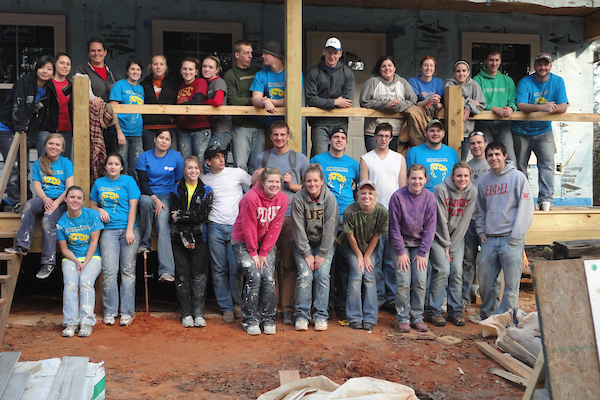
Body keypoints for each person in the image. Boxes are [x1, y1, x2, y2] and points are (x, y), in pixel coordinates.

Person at [254, 121, 309, 325]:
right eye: (275, 135)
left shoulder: (299, 159)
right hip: (266, 218)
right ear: (271, 136)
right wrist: (254, 178)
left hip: (289, 217)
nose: (279, 138)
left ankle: (287, 308)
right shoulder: (263, 157)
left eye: (282, 135)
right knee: (268, 265)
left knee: (288, 264)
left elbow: (311, 187)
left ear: (289, 136)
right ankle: (269, 307)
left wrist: (292, 185)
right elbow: (255, 186)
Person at [475, 141, 533, 321]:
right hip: (490, 240)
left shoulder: (517, 177)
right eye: (490, 155)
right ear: (486, 158)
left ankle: (507, 320)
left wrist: (516, 235)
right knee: (485, 283)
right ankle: (489, 317)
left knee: (511, 285)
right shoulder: (484, 182)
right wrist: (481, 232)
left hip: (510, 239)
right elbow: (480, 211)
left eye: (497, 154)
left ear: (505, 156)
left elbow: (526, 207)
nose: (494, 158)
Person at [202, 145, 259, 323]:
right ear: (208, 162)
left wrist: (260, 171)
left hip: (236, 227)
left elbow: (254, 184)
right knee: (219, 269)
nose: (221, 159)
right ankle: (226, 307)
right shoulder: (203, 179)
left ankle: (238, 305)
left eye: (222, 156)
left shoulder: (236, 173)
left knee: (236, 268)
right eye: (216, 157)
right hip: (215, 226)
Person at [5, 134, 73, 279]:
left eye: (57, 145)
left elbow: (69, 188)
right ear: (45, 145)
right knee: (29, 205)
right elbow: (37, 186)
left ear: (62, 149)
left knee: (47, 221)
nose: (53, 147)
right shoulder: (38, 163)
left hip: (61, 201)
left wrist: (56, 203)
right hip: (44, 198)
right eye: (51, 143)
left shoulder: (66, 163)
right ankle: (22, 245)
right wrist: (45, 198)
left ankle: (48, 262)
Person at [231, 167, 288, 335]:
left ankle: (269, 318)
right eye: (270, 181)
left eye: (277, 182)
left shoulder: (283, 199)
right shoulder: (251, 197)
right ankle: (249, 319)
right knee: (254, 276)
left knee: (268, 277)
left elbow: (275, 228)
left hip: (265, 244)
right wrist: (253, 252)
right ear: (262, 183)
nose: (274, 185)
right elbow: (248, 226)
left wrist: (264, 252)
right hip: (243, 241)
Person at [310, 127, 359, 319]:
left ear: (346, 142)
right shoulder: (317, 160)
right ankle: (326, 302)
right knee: (325, 261)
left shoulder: (353, 164)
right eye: (336, 137)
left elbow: (359, 189)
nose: (339, 140)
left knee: (344, 261)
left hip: (345, 216)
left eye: (343, 137)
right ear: (329, 141)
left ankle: (340, 302)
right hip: (323, 214)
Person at [512, 52, 568, 211]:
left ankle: (545, 200)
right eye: (539, 64)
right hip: (521, 130)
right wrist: (543, 107)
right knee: (521, 166)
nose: (542, 67)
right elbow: (521, 105)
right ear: (535, 65)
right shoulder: (525, 81)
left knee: (547, 165)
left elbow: (564, 105)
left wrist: (555, 108)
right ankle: (524, 199)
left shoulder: (557, 81)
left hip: (544, 130)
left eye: (546, 64)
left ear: (550, 66)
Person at [359, 122, 407, 312]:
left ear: (391, 138)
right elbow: (364, 189)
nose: (384, 139)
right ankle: (377, 297)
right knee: (375, 259)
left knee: (392, 259)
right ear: (375, 137)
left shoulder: (399, 159)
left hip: (394, 215)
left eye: (387, 136)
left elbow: (403, 190)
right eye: (380, 135)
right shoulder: (366, 159)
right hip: (374, 215)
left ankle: (392, 298)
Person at [0, 55, 56, 211]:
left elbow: (44, 114)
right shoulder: (26, 81)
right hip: (7, 127)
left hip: (24, 130)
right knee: (12, 166)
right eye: (42, 67)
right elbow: (18, 105)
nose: (45, 71)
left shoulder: (48, 89)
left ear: (53, 72)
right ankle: (15, 200)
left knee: (23, 166)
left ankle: (25, 199)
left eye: (49, 69)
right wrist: (19, 126)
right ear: (36, 68)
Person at [90, 153, 140, 327]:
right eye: (110, 164)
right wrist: (99, 210)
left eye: (116, 164)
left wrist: (129, 230)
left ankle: (127, 312)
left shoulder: (128, 181)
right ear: (105, 167)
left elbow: (133, 206)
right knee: (110, 272)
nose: (112, 166)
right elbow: (92, 204)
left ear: (121, 167)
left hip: (129, 230)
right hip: (108, 231)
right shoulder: (99, 183)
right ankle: (110, 311)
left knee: (127, 271)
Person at [425, 162, 477, 327]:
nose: (462, 179)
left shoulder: (472, 191)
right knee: (442, 270)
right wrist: (446, 246)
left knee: (456, 271)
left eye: (466, 176)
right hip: (437, 236)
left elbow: (464, 222)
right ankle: (434, 311)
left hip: (456, 238)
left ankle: (455, 311)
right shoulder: (441, 190)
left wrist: (452, 248)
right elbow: (440, 220)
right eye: (459, 176)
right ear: (452, 176)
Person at [389, 164, 437, 333]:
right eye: (413, 178)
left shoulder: (430, 198)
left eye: (420, 178)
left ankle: (417, 316)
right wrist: (401, 252)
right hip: (400, 244)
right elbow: (394, 228)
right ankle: (403, 317)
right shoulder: (397, 197)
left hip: (420, 246)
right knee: (403, 281)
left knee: (420, 281)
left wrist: (423, 253)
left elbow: (431, 228)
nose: (417, 181)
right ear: (408, 179)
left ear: (425, 180)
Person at [291, 164, 339, 331]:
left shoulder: (329, 198)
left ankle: (320, 315)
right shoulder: (298, 198)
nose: (312, 184)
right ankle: (302, 315)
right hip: (302, 243)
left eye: (315, 181)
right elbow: (297, 228)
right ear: (303, 182)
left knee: (322, 275)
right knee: (305, 276)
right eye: (308, 181)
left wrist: (322, 253)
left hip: (323, 243)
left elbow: (331, 228)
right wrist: (306, 254)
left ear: (322, 181)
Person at [170, 156, 213, 328]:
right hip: (178, 238)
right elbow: (174, 216)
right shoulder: (175, 190)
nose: (193, 171)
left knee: (199, 276)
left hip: (199, 237)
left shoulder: (207, 190)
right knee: (182, 274)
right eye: (189, 168)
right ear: (184, 171)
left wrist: (182, 215)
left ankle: (198, 313)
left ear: (200, 170)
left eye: (196, 168)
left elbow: (202, 215)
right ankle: (186, 313)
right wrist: (184, 219)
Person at [136, 129, 184, 282]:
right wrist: (155, 199)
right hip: (149, 193)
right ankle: (145, 243)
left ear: (170, 142)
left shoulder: (176, 157)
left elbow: (179, 182)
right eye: (161, 138)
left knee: (162, 223)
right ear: (155, 139)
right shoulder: (144, 157)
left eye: (167, 139)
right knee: (144, 201)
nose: (164, 141)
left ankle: (167, 271)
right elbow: (143, 182)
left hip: (167, 195)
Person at [340, 180, 388, 330]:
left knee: (369, 276)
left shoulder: (381, 211)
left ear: (375, 195)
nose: (366, 196)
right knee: (356, 274)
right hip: (352, 248)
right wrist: (360, 256)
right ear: (357, 195)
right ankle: (354, 316)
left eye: (370, 193)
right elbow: (350, 237)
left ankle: (370, 317)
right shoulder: (350, 211)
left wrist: (366, 256)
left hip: (370, 248)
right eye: (363, 193)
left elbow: (376, 236)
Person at [57, 186, 104, 338]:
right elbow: (64, 249)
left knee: (85, 281)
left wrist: (84, 263)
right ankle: (70, 323)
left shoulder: (92, 215)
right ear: (65, 199)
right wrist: (77, 262)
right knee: (70, 283)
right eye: (72, 197)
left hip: (92, 257)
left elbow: (94, 241)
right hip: (71, 258)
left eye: (79, 198)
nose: (75, 200)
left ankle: (86, 322)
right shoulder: (61, 222)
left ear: (83, 201)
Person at [305, 37, 354, 157]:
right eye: (329, 52)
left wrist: (322, 102)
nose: (332, 56)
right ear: (324, 52)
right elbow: (311, 99)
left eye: (335, 53)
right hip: (319, 123)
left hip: (340, 122)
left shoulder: (347, 73)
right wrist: (335, 102)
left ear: (340, 54)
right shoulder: (313, 72)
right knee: (320, 157)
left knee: (337, 156)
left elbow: (347, 101)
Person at [359, 56, 417, 152]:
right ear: (379, 69)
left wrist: (399, 105)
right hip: (373, 131)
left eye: (390, 65)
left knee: (393, 164)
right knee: (374, 162)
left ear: (394, 68)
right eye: (383, 66)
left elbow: (413, 101)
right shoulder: (372, 82)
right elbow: (364, 102)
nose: (387, 68)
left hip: (396, 131)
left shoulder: (403, 82)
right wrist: (385, 105)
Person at [224, 40, 264, 173]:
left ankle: (255, 194)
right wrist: (255, 100)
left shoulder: (258, 72)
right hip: (241, 126)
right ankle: (242, 194)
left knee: (257, 166)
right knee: (240, 166)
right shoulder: (230, 75)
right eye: (246, 53)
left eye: (251, 53)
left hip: (259, 124)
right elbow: (233, 100)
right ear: (237, 55)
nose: (250, 56)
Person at [473, 48, 517, 163]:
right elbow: (476, 102)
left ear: (500, 61)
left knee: (509, 157)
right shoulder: (477, 80)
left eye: (497, 60)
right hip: (484, 123)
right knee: (486, 157)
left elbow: (512, 101)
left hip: (504, 123)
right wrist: (493, 108)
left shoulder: (507, 81)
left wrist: (511, 108)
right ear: (485, 61)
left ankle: (511, 181)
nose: (494, 63)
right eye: (491, 60)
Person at [74, 38, 118, 153]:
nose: (96, 53)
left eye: (99, 50)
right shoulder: (82, 70)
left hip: (110, 122)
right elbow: (81, 91)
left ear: (105, 52)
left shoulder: (112, 74)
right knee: (94, 155)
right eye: (93, 51)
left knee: (111, 155)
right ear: (88, 53)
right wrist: (92, 98)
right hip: (91, 122)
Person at [462, 131, 490, 308]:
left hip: (488, 222)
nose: (476, 146)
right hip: (469, 220)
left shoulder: (493, 164)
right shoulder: (467, 167)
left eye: (479, 143)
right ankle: (464, 300)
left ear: (485, 144)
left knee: (488, 263)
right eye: (472, 143)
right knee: (467, 262)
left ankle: (489, 301)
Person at [110, 60, 145, 180]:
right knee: (120, 165)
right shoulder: (119, 85)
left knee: (136, 167)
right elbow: (112, 110)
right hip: (122, 132)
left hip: (137, 133)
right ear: (127, 71)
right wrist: (119, 132)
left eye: (138, 70)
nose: (135, 72)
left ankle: (133, 195)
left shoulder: (141, 89)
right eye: (132, 69)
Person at [140, 55, 182, 151]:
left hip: (169, 128)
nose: (158, 67)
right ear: (150, 66)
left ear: (166, 67)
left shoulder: (174, 83)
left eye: (161, 64)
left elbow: (180, 101)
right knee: (150, 160)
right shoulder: (143, 84)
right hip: (149, 128)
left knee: (171, 160)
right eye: (155, 64)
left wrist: (175, 117)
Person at [405, 119, 460, 192]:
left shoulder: (452, 153)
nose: (435, 134)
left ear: (443, 133)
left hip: (448, 197)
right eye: (432, 131)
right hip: (422, 198)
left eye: (438, 131)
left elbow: (459, 176)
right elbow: (406, 179)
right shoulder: (414, 152)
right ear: (425, 133)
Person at [445, 60, 486, 159]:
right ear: (454, 73)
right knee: (450, 160)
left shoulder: (474, 85)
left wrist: (467, 107)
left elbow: (481, 105)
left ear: (468, 72)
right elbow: (451, 102)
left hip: (467, 131)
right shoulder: (449, 84)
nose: (461, 73)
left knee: (462, 160)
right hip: (451, 129)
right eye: (458, 71)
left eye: (464, 71)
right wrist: (471, 102)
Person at [37, 52, 73, 160]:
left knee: (64, 162)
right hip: (46, 127)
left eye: (68, 64)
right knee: (45, 160)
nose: (65, 66)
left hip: (66, 128)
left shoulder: (71, 85)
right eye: (62, 63)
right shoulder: (47, 83)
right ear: (55, 65)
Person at [176, 57, 211, 164]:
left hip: (200, 129)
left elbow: (197, 100)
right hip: (183, 130)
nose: (187, 72)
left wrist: (177, 108)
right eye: (185, 69)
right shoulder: (180, 87)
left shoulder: (200, 82)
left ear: (196, 72)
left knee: (199, 163)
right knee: (186, 163)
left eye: (191, 69)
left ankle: (201, 181)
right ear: (181, 71)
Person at [251, 41, 286, 127]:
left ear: (275, 55)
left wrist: (268, 101)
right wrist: (264, 102)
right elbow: (255, 99)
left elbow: (292, 100)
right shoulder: (260, 75)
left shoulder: (292, 74)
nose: (263, 56)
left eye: (266, 53)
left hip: (291, 122)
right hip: (269, 124)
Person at [202, 56, 233, 152]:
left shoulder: (219, 81)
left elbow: (217, 101)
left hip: (222, 128)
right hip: (214, 127)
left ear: (217, 70)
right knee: (218, 158)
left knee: (213, 157)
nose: (207, 69)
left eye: (210, 67)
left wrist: (203, 103)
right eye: (204, 66)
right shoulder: (208, 83)